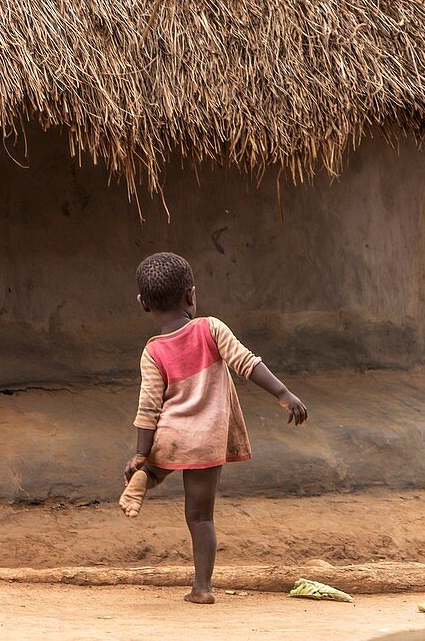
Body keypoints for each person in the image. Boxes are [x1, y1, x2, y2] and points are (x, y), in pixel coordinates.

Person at [118, 252, 308, 604]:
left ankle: (149, 474)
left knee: (161, 458)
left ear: (143, 304)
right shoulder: (211, 328)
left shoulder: (153, 352)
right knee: (201, 517)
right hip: (207, 438)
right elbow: (246, 363)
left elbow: (148, 407)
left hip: (171, 434)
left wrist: (140, 451)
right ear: (191, 295)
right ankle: (202, 588)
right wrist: (284, 394)